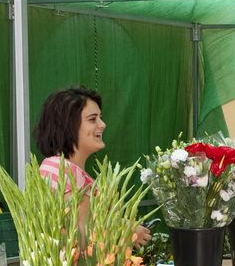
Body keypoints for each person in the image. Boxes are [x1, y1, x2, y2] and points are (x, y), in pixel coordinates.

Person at [34, 86, 152, 244]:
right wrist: (124, 230)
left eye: (100, 117)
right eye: (92, 119)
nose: (102, 124)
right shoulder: (60, 169)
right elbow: (82, 237)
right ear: (68, 125)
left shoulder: (67, 169)